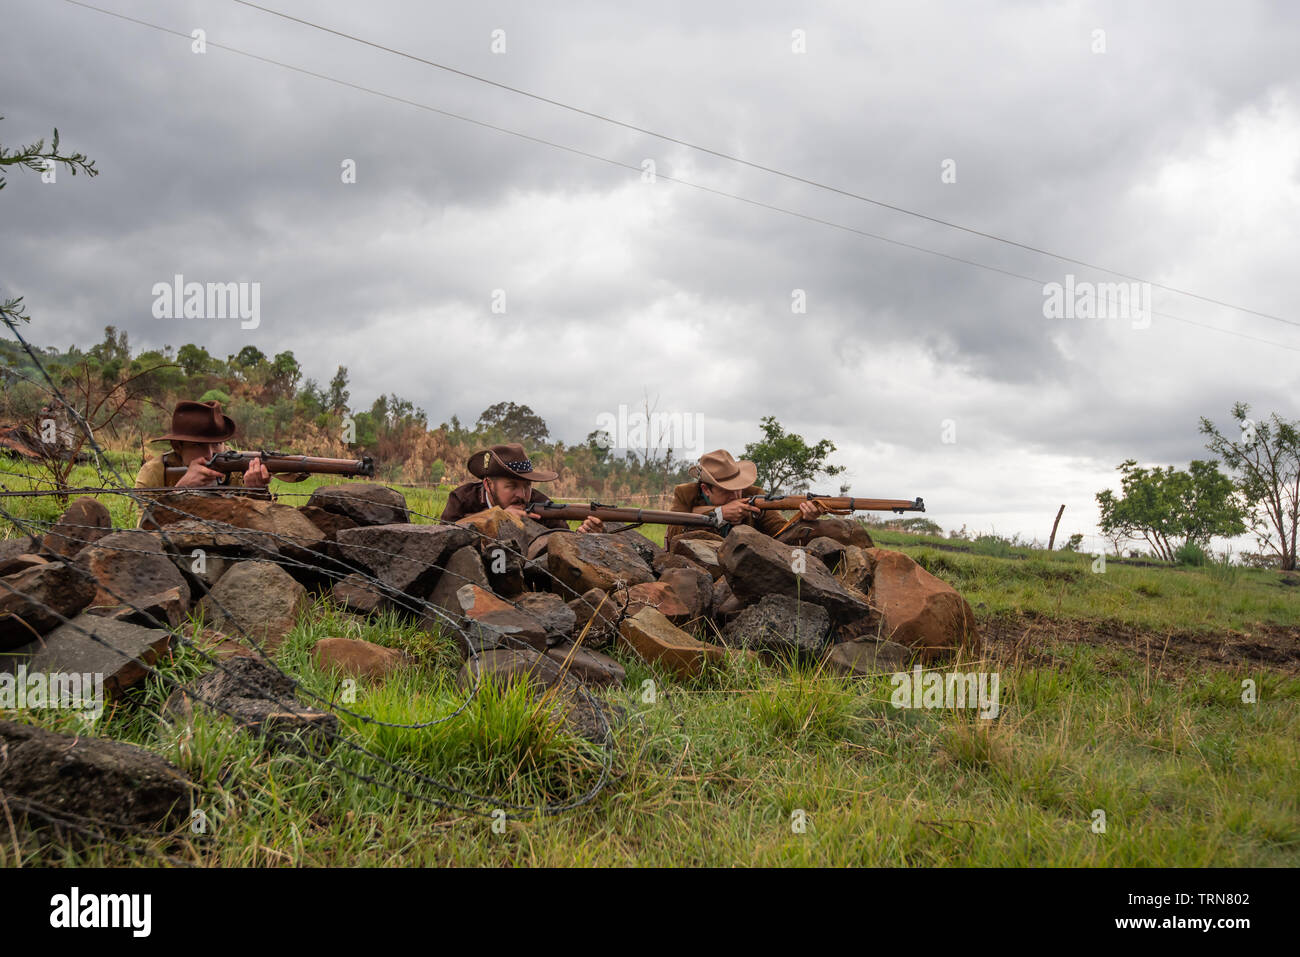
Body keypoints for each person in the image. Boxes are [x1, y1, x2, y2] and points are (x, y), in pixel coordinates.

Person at [133, 399, 303, 491]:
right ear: (178, 446)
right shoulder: (154, 474)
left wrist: (255, 492)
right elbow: (145, 531)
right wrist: (180, 491)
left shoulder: (238, 467)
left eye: (216, 444)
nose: (210, 454)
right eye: (198, 446)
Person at [664, 448, 824, 544]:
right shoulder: (686, 494)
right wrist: (719, 514)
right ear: (706, 489)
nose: (736, 495)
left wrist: (804, 519)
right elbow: (673, 531)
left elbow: (780, 531)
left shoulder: (754, 495)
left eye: (738, 488)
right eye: (726, 490)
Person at [440, 442, 603, 533]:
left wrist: (584, 538)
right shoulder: (462, 499)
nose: (522, 495)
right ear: (488, 484)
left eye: (527, 486)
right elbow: (445, 536)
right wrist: (497, 518)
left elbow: (564, 541)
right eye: (511, 486)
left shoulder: (542, 505)